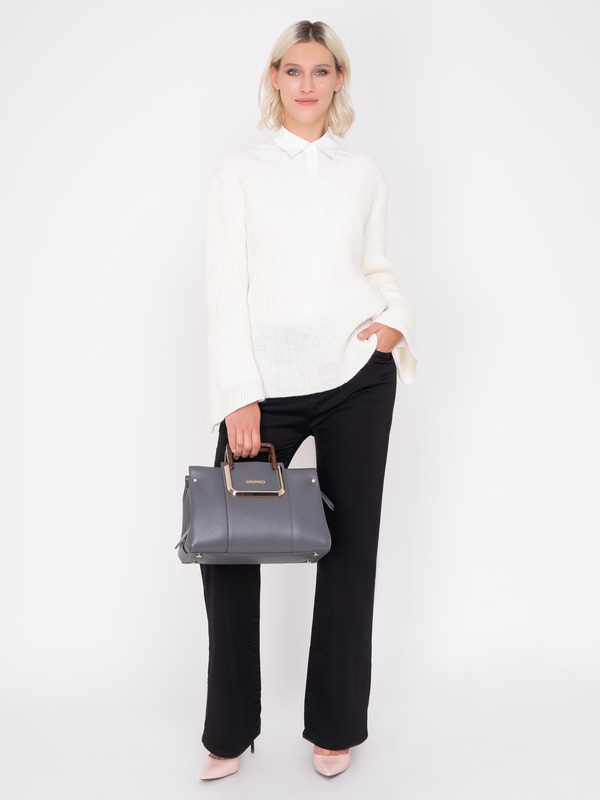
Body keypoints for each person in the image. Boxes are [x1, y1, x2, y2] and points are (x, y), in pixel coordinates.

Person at [199, 19, 418, 780]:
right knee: (227, 547)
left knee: (351, 548)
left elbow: (376, 267)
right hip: (265, 388)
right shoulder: (241, 171)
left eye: (321, 71)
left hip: (357, 375)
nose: (306, 84)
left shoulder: (363, 172)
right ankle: (228, 732)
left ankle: (335, 726)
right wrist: (239, 394)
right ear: (275, 78)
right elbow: (224, 289)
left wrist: (394, 323)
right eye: (293, 70)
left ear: (338, 80)